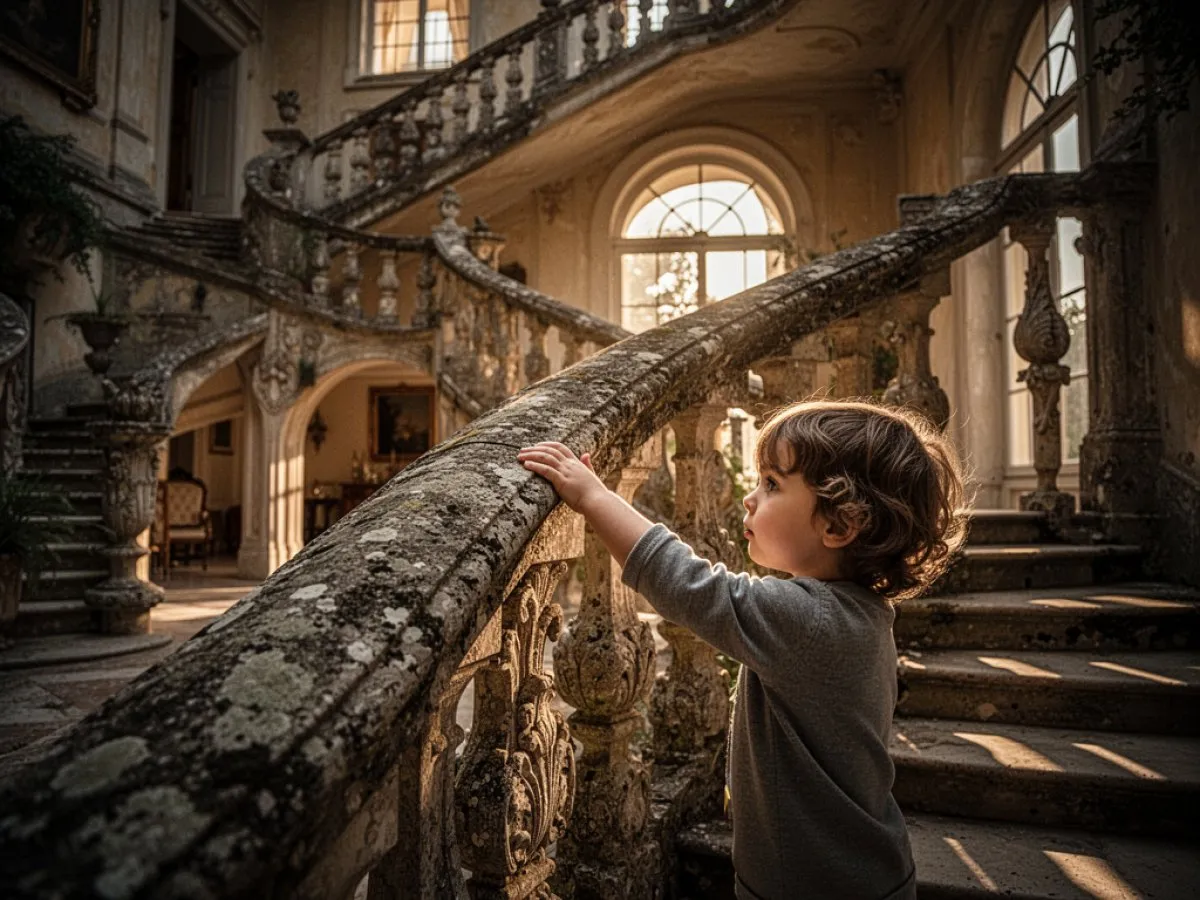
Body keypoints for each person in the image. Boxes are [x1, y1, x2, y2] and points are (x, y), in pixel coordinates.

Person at [518, 399, 967, 900]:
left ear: (839, 525)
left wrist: (595, 497)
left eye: (772, 484)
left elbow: (689, 585)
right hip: (857, 873)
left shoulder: (810, 620)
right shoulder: (857, 610)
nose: (750, 499)